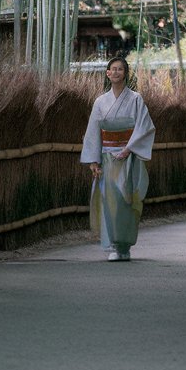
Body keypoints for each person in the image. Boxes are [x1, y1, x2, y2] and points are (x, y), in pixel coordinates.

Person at [80, 55, 155, 261]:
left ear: (126, 73)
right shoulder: (100, 102)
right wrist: (93, 161)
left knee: (126, 201)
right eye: (112, 69)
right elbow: (93, 132)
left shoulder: (136, 99)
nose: (116, 72)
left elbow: (145, 127)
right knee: (109, 201)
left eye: (120, 69)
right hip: (107, 157)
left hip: (128, 157)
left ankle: (125, 245)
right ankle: (113, 245)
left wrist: (129, 149)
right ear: (107, 73)